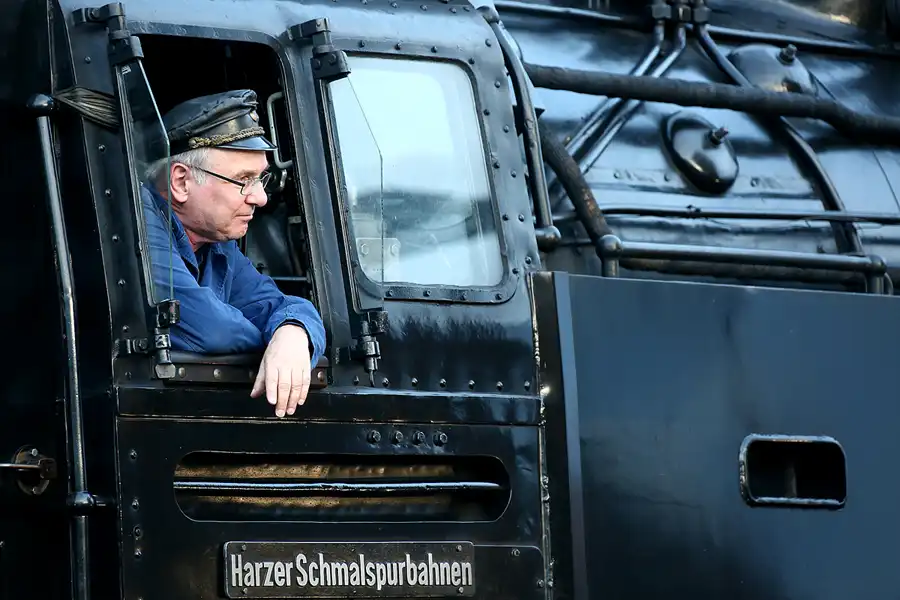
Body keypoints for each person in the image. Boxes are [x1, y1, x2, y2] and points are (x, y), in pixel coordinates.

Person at [140, 89, 326, 418]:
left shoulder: (217, 246)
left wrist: (292, 333)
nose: (261, 198)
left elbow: (278, 305)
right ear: (181, 182)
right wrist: (269, 342)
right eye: (244, 180)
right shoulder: (137, 223)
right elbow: (211, 330)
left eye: (260, 178)